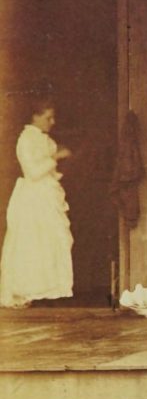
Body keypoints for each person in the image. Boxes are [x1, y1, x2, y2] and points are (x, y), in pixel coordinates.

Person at [0, 98, 73, 308]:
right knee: (31, 243)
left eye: (53, 117)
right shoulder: (26, 139)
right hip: (33, 198)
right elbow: (32, 172)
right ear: (35, 116)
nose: (52, 122)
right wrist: (56, 157)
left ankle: (46, 290)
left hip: (47, 195)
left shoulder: (46, 140)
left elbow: (50, 172)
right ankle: (24, 291)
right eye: (48, 117)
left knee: (53, 240)